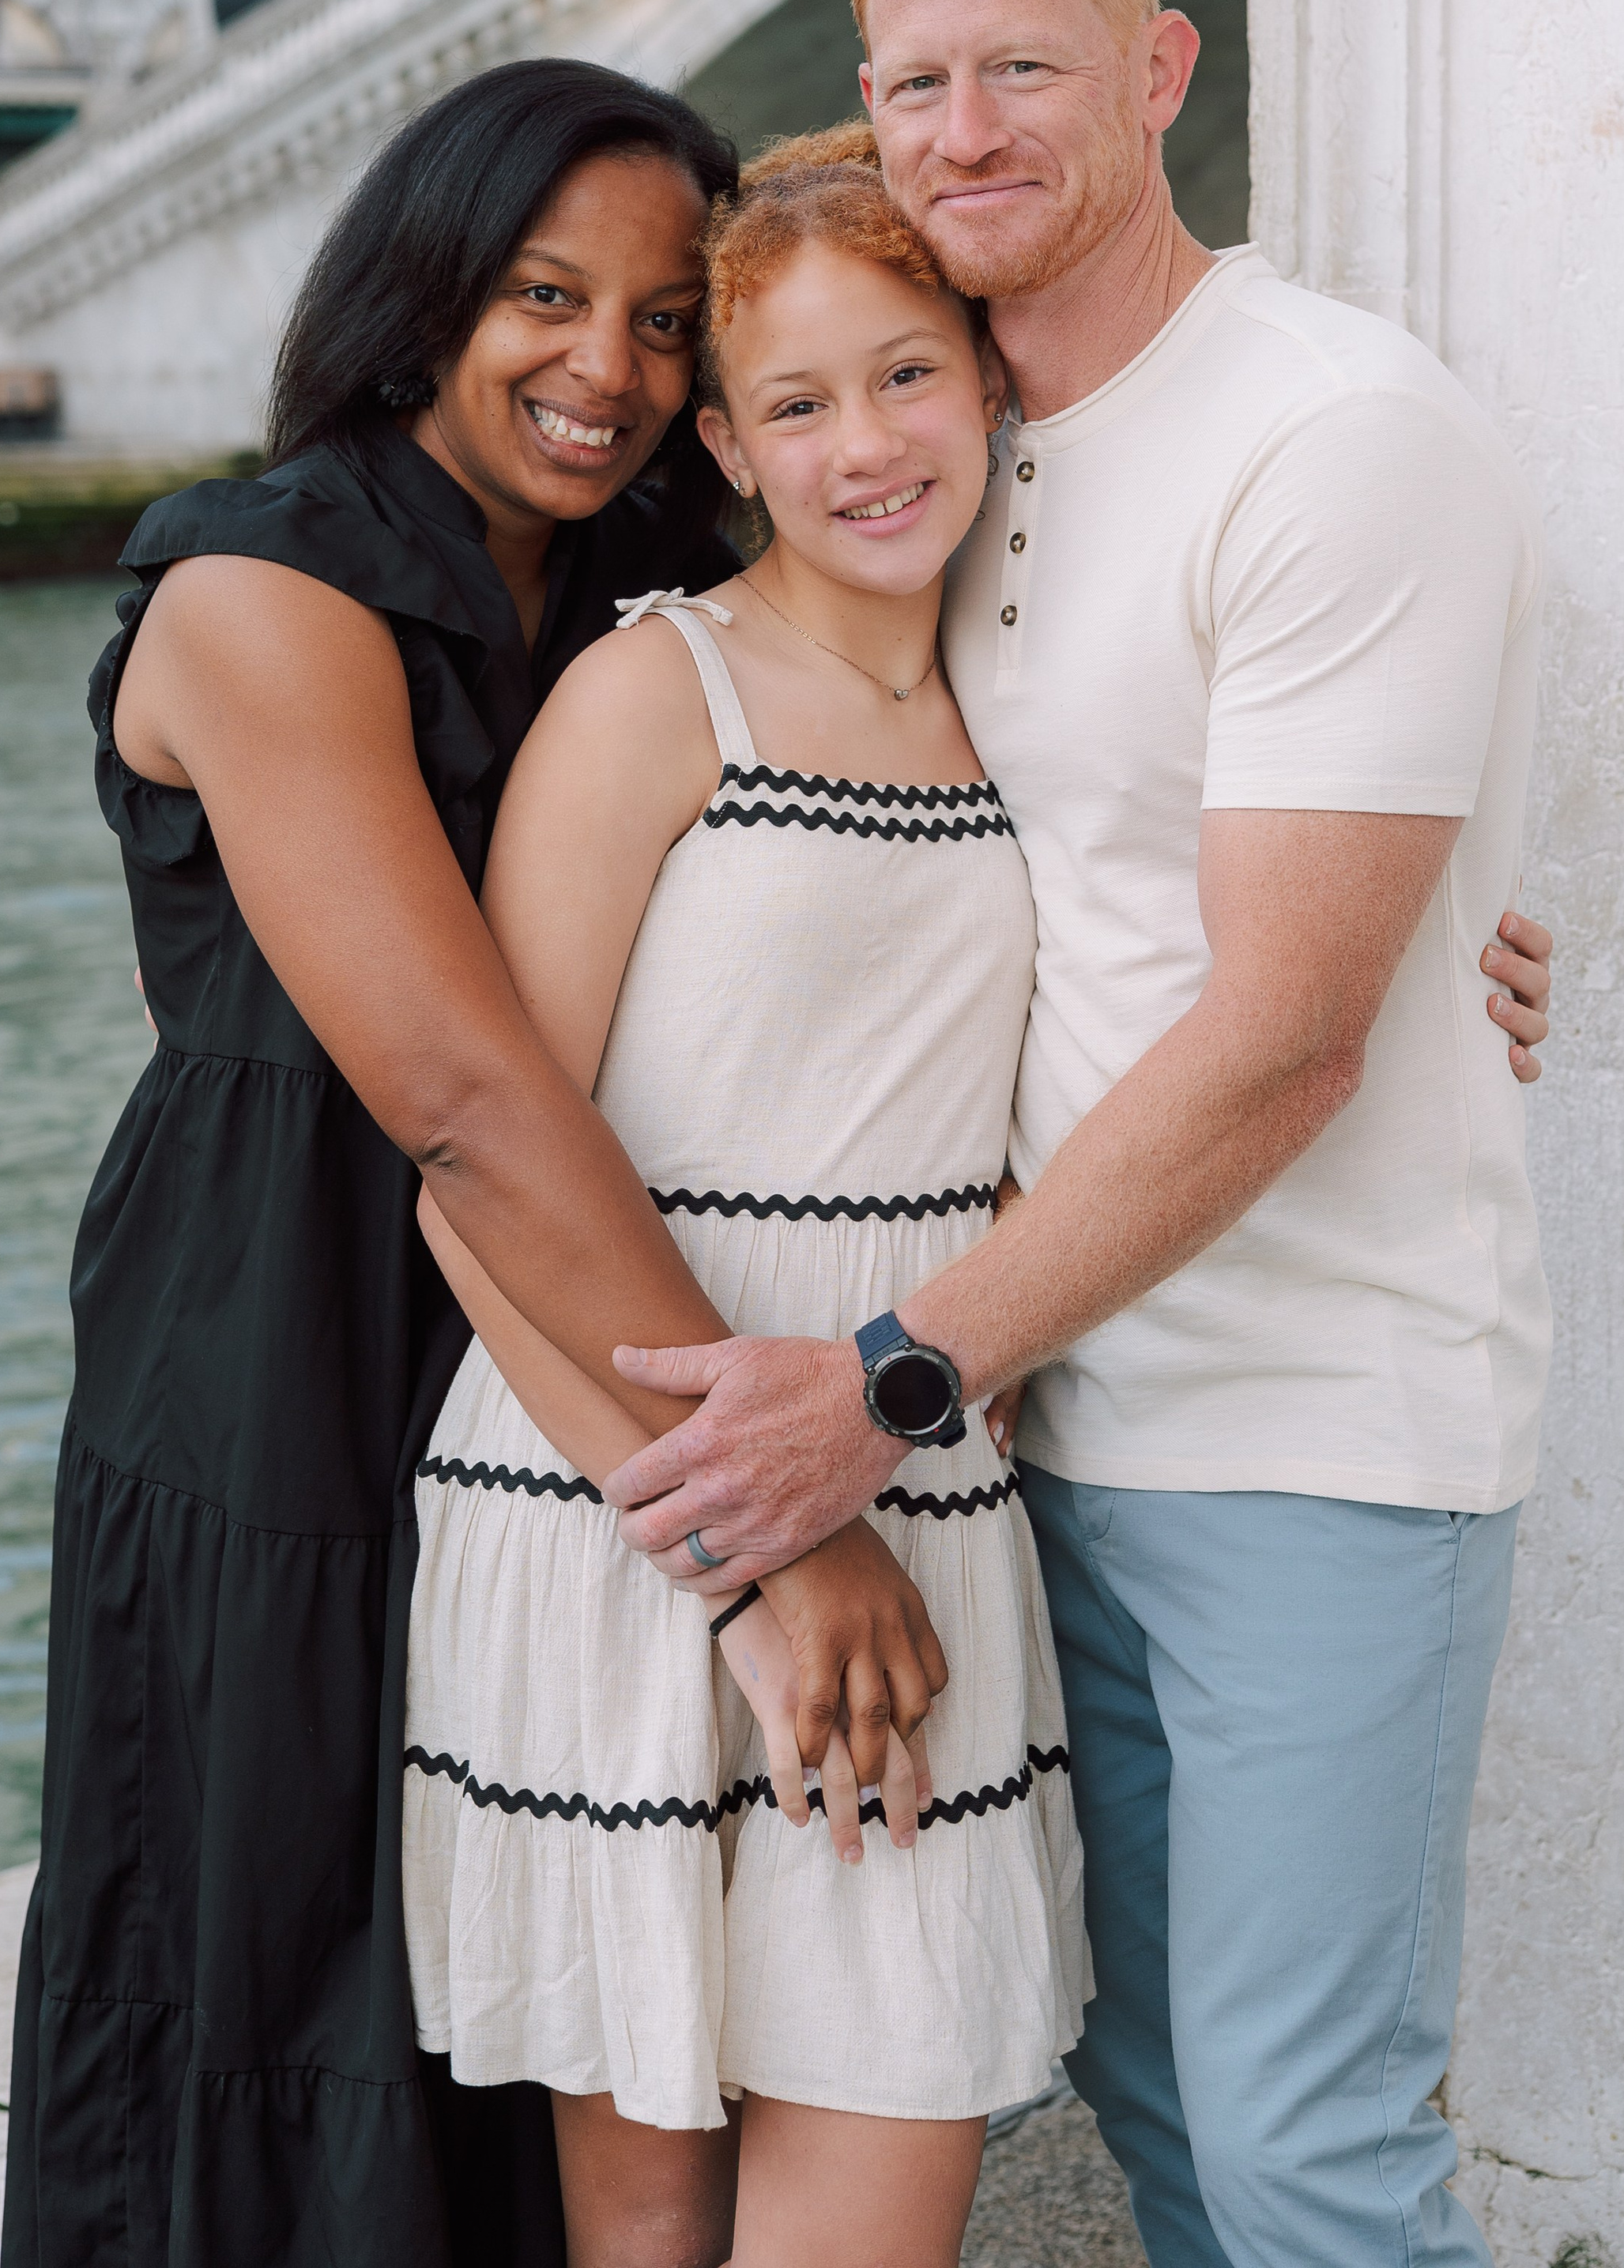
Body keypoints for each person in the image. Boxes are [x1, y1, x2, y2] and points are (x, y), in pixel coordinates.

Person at [601, 0, 1558, 2268]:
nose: (968, 121)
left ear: (1157, 71)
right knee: (1146, 2096)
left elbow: (1280, 1037)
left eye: (1025, 61)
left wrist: (895, 1377)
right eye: (915, 79)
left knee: (1305, 2142)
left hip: (1315, 1428)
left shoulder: (1332, 428)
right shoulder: (967, 453)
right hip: (1062, 1430)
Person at [3, 61, 946, 2268]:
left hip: (555, 1337)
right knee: (269, 1936)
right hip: (284, 1346)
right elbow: (460, 1093)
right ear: (423, 295)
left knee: (510, 1953)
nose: (605, 370)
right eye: (546, 296)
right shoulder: (266, 592)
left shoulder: (651, 600)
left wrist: (1401, 931)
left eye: (658, 321)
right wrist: (771, 1522)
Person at [398, 147, 1088, 2268]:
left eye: (906, 378)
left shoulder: (1054, 706)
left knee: (876, 2188)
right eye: (795, 405)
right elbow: (477, 1197)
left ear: (990, 380)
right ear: (723, 442)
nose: (864, 447)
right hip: (627, 1521)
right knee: (647, 2233)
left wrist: (1469, 961)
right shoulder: (651, 695)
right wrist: (748, 1565)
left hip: (919, 1469)